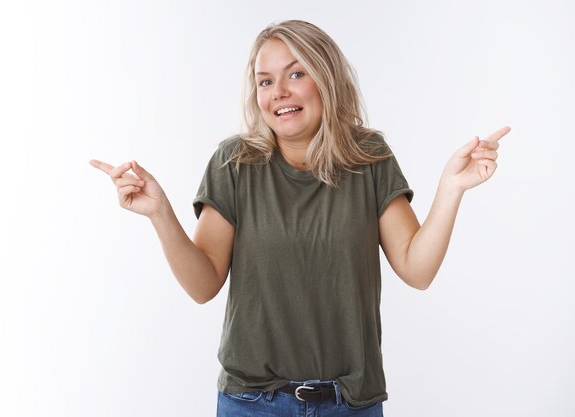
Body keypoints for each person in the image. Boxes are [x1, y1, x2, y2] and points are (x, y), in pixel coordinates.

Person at [90, 19, 510, 417]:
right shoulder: (234, 164)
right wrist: (159, 212)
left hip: (351, 404)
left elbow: (417, 270)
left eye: (295, 74)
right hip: (252, 403)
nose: (279, 93)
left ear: (326, 78)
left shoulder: (370, 159)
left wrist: (451, 189)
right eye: (265, 81)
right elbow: (203, 285)